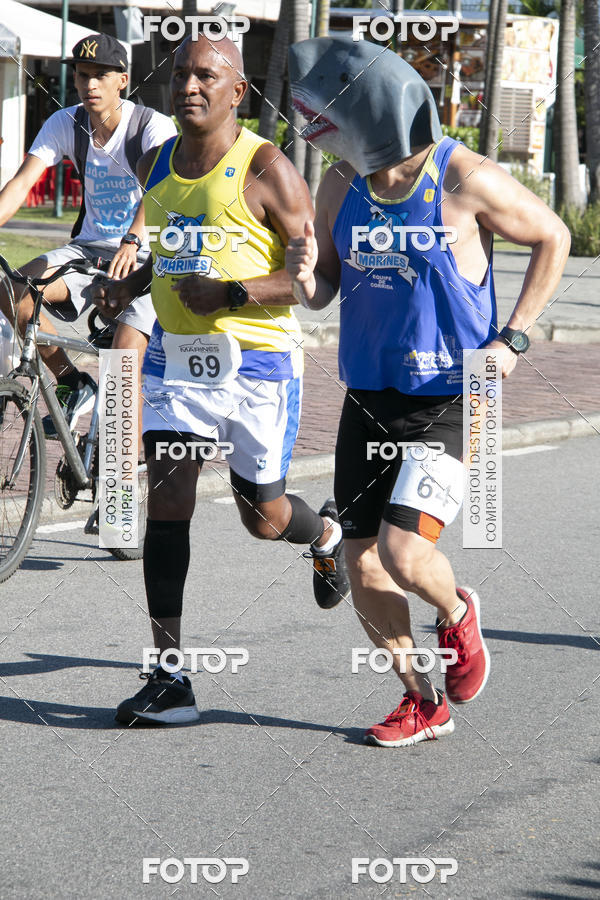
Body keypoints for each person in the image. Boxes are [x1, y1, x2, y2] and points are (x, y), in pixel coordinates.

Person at [285, 36, 570, 747]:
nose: (323, 136)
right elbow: (324, 292)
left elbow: (554, 236)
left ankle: (457, 612)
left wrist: (514, 337)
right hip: (369, 393)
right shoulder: (340, 185)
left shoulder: (463, 177)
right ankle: (420, 701)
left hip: (455, 392)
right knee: (362, 558)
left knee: (407, 555)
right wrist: (302, 272)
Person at [93, 34, 351, 725]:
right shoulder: (156, 162)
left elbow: (311, 283)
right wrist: (128, 290)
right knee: (168, 498)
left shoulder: (268, 168)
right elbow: (173, 255)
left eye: (207, 75)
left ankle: (322, 535)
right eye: (181, 74)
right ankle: (170, 675)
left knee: (262, 519)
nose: (189, 86)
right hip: (179, 363)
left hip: (259, 368)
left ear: (239, 91)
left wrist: (232, 295)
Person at [0, 32, 176, 437]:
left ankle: (118, 487)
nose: (89, 85)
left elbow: (161, 188)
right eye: (82, 76)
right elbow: (23, 182)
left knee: (122, 367)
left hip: (146, 261)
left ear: (123, 80)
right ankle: (70, 382)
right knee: (13, 292)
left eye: (100, 75)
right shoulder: (65, 123)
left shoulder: (152, 126)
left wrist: (133, 238)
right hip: (87, 252)